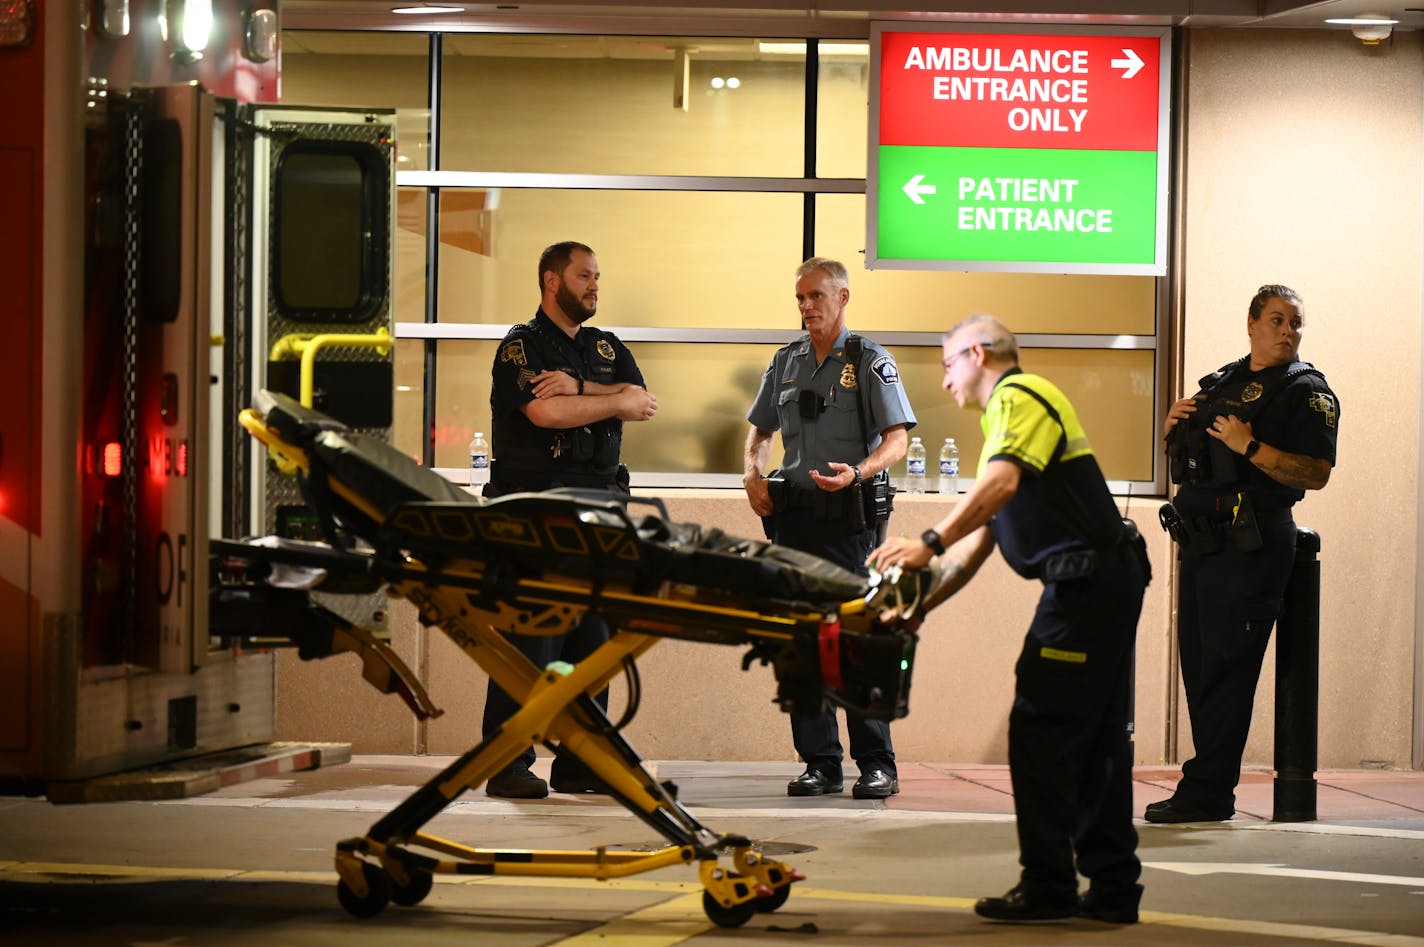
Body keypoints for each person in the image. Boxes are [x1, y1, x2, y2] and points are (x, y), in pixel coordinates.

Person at [868, 314, 1150, 924]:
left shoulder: (1019, 395)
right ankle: (1112, 888)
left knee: (1041, 729)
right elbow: (982, 541)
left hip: (1087, 584)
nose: (944, 383)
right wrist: (916, 608)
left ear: (976, 352)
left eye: (947, 365)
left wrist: (926, 541)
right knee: (1096, 736)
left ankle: (1049, 884)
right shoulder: (1009, 421)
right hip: (1101, 579)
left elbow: (997, 487)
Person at [1149, 284, 1339, 824]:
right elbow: (1189, 466)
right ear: (1252, 323)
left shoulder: (1307, 392)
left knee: (1231, 666)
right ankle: (1206, 783)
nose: (1287, 332)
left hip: (1253, 545)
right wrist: (1172, 433)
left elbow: (1315, 473)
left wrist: (1248, 446)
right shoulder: (1222, 384)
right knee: (1201, 666)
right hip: (1203, 543)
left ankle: (1208, 790)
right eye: (1277, 320)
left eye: (1296, 323)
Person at [481, 240, 658, 799]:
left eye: (598, 277)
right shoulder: (521, 347)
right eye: (584, 276)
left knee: (594, 638)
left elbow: (643, 400)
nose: (595, 286)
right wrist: (610, 399)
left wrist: (583, 387)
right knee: (533, 635)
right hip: (537, 508)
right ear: (552, 281)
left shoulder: (606, 347)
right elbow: (545, 412)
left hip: (603, 508)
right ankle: (508, 761)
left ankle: (579, 760)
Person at [743, 257, 915, 801]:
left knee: (856, 640)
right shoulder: (786, 361)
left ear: (843, 298)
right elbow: (759, 432)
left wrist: (859, 472)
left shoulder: (870, 360)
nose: (806, 306)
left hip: (851, 522)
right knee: (800, 640)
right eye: (800, 297)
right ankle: (820, 762)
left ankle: (876, 763)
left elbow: (898, 441)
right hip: (793, 520)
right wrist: (752, 475)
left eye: (816, 296)